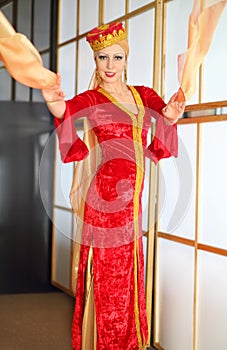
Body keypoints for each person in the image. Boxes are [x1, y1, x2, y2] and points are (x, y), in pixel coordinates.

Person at [42, 22, 185, 350]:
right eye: (102, 57)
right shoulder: (92, 97)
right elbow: (66, 111)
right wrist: (54, 103)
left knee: (130, 274)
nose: (109, 65)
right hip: (103, 204)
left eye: (116, 57)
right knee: (109, 279)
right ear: (95, 61)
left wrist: (172, 115)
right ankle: (105, 342)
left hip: (132, 202)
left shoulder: (143, 94)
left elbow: (163, 117)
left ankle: (128, 341)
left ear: (126, 59)